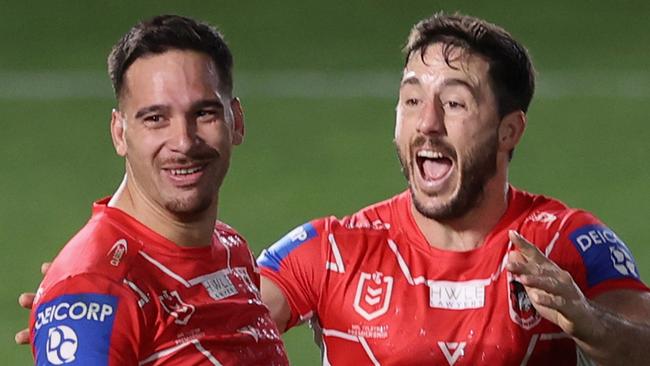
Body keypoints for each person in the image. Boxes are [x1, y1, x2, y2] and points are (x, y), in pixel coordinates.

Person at [257, 13, 650, 365]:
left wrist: (590, 323)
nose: (427, 122)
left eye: (455, 103)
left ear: (508, 130)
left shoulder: (567, 244)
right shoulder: (333, 253)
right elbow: (216, 327)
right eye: (412, 100)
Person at [24, 15, 288, 365]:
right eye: (155, 118)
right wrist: (88, 290)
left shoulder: (230, 249)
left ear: (236, 121)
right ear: (120, 133)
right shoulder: (95, 290)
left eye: (204, 113)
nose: (183, 141)